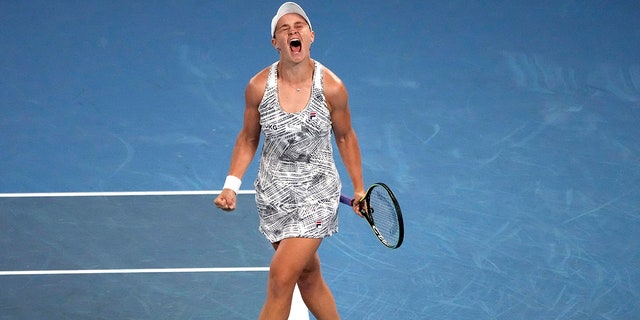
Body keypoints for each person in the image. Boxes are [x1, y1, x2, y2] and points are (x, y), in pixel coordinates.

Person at [214, 2, 364, 319]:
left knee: (280, 279)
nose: (292, 31)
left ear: (311, 36)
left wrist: (359, 188)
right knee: (308, 278)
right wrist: (231, 184)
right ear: (275, 43)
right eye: (284, 28)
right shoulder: (258, 87)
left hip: (317, 196)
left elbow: (346, 137)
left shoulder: (332, 88)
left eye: (299, 26)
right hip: (273, 197)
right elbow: (248, 137)